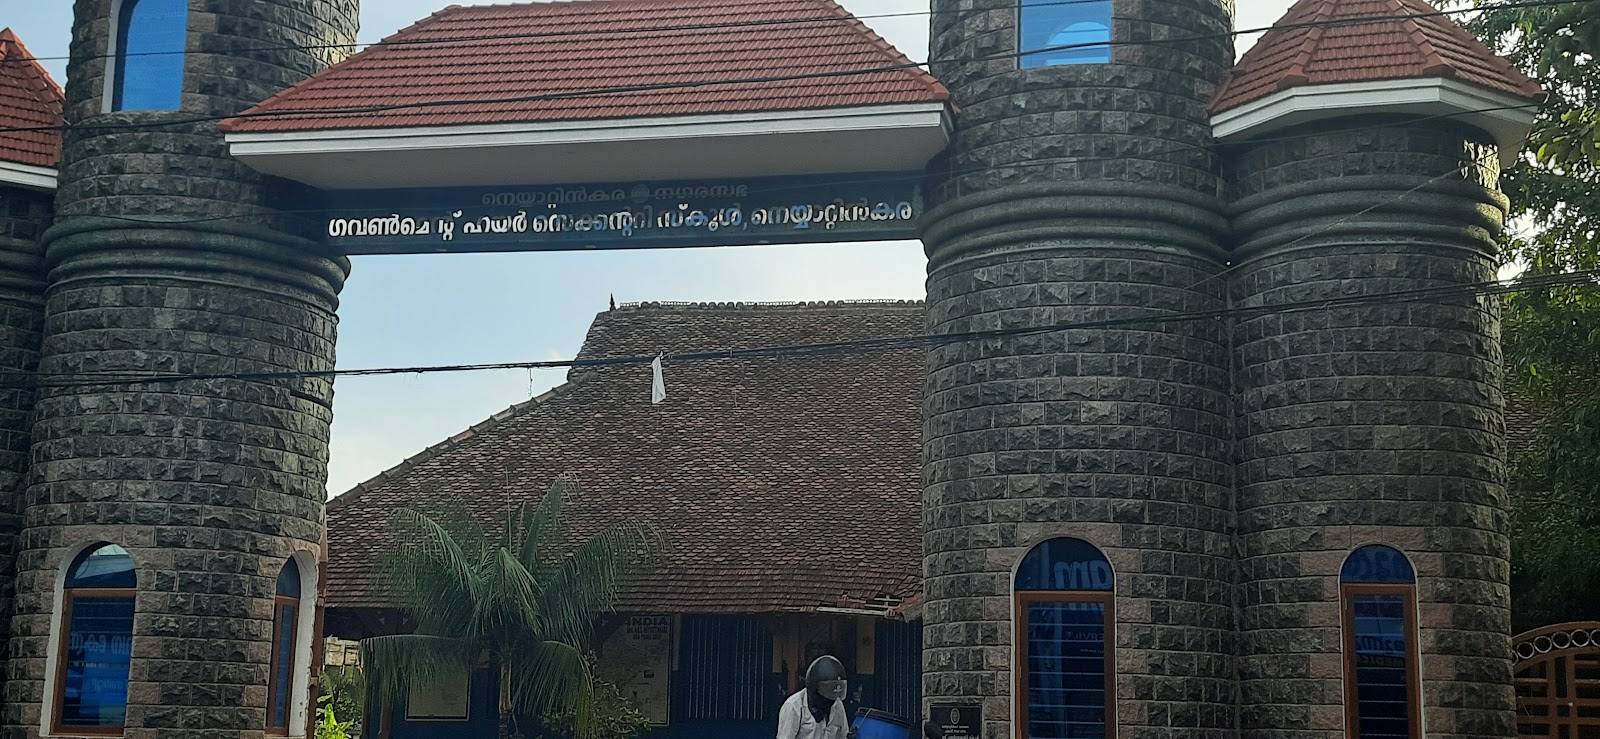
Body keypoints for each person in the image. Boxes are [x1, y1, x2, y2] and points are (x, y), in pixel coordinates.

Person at [777, 655, 851, 739]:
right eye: (826, 695)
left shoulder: (837, 703)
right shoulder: (793, 706)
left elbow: (843, 735)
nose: (829, 701)